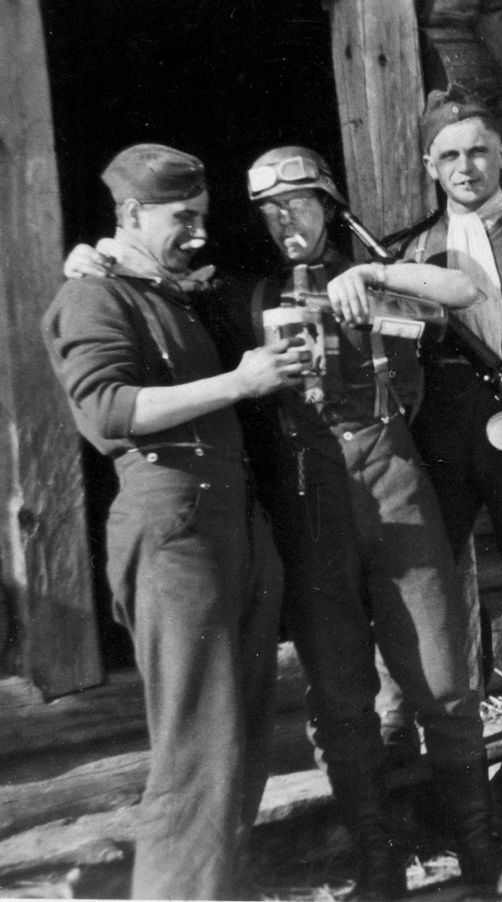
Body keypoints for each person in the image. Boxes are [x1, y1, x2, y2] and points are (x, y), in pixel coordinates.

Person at [63, 146, 502, 899]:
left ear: (330, 205)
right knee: (341, 697)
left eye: (299, 204)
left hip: (395, 494)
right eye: (269, 211)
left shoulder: (374, 279)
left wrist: (370, 273)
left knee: (445, 676)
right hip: (310, 511)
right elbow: (136, 291)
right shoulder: (236, 295)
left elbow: (461, 286)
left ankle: (477, 847)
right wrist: (93, 258)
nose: (284, 221)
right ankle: (379, 863)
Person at [42, 143, 297, 899]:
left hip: (227, 522)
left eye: (202, 217)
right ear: (131, 214)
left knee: (241, 739)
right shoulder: (94, 297)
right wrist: (239, 381)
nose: (196, 232)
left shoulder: (168, 291)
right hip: (173, 526)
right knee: (198, 744)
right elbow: (109, 412)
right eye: (181, 217)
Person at [341, 86, 502, 808]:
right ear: (430, 165)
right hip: (440, 435)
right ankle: (413, 737)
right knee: (427, 585)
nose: (467, 166)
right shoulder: (407, 253)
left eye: (479, 150)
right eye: (450, 155)